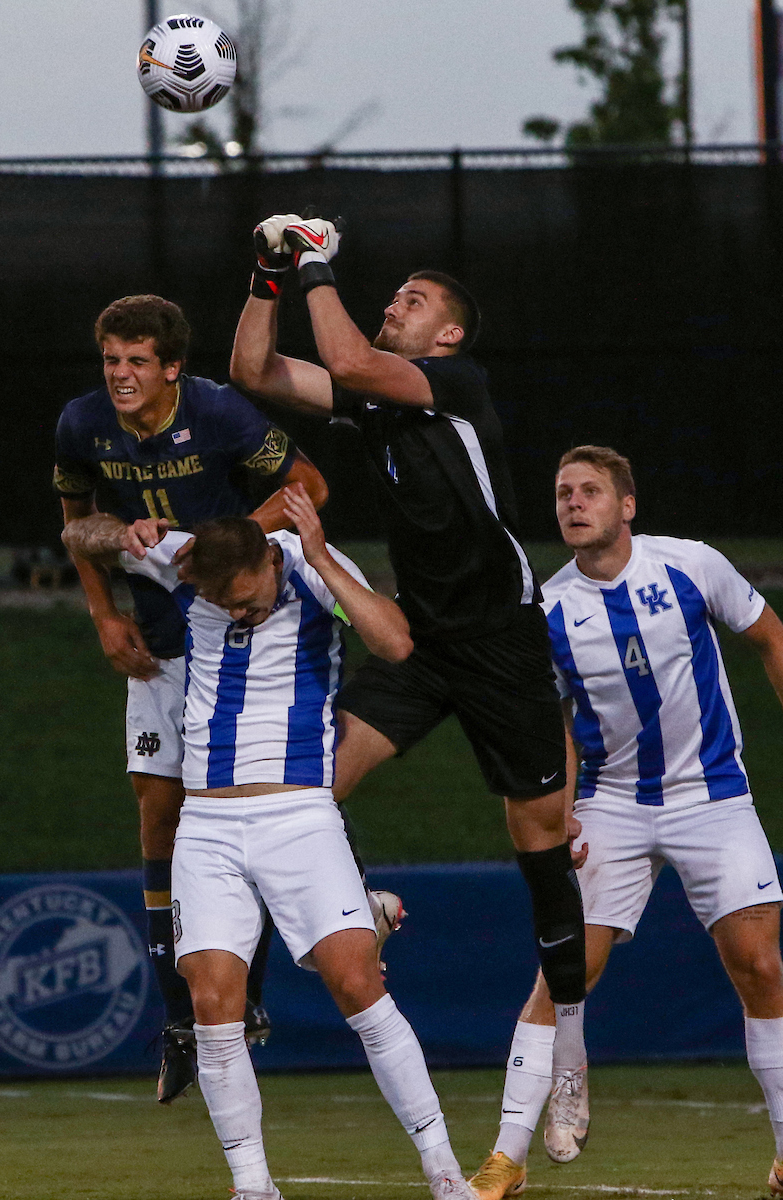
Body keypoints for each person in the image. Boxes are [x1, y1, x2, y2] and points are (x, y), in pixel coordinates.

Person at [230, 213, 588, 1199]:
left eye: (413, 302)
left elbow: (340, 349)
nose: (395, 306)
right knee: (306, 786)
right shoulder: (369, 408)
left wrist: (314, 259)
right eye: (393, 295)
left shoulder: (453, 388)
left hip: (502, 640)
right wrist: (267, 274)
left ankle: (571, 1052)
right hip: (418, 640)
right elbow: (256, 373)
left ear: (447, 339)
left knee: (540, 842)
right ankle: (367, 905)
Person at [62, 485, 479, 1200]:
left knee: (359, 986)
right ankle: (253, 1188)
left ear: (267, 561)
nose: (241, 612)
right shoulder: (188, 559)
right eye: (226, 605)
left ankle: (445, 1175)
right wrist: (124, 532)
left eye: (250, 600)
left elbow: (397, 642)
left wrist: (320, 552)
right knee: (214, 1005)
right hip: (209, 827)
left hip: (299, 817)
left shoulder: (308, 568)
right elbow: (78, 536)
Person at [474, 444, 783, 1199]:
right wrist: (567, 814)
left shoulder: (690, 565)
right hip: (611, 806)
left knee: (762, 966)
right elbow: (557, 727)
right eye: (561, 493)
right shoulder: (547, 611)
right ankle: (505, 1159)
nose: (573, 503)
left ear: (627, 505)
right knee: (564, 971)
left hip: (713, 797)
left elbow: (770, 635)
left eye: (588, 491)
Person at [53, 293, 330, 1102]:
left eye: (138, 361)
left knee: (241, 814)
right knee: (157, 816)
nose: (121, 376)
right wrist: (104, 615)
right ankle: (179, 1020)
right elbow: (77, 521)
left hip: (239, 644)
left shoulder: (218, 412)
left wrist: (226, 547)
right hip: (159, 648)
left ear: (172, 366)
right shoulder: (82, 425)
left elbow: (311, 481)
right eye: (112, 361)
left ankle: (247, 999)